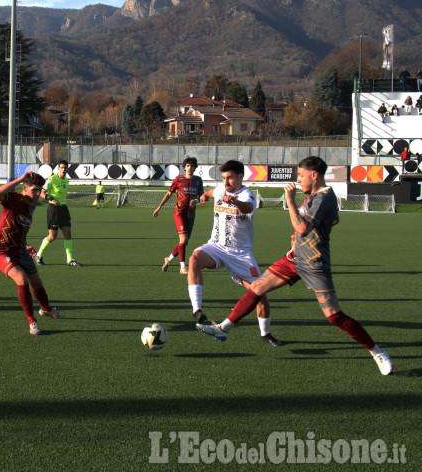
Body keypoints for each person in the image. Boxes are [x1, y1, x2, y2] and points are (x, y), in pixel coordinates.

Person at [196, 156, 393, 376]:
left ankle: (377, 351)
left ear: (314, 175)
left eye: (301, 175)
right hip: (293, 259)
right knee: (256, 288)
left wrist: (289, 200)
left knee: (334, 316)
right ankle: (223, 329)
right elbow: (334, 220)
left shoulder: (323, 197)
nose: (298, 180)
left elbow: (301, 228)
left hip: (314, 263)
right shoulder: (313, 196)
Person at [186, 160, 280, 346]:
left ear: (240, 177)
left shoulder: (246, 195)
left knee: (260, 294)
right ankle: (197, 311)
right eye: (223, 178)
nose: (226, 182)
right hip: (216, 247)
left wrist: (235, 201)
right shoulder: (221, 190)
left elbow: (248, 208)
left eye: (230, 178)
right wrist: (203, 196)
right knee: (194, 258)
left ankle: (265, 333)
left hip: (240, 254)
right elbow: (212, 192)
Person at [0, 171, 64, 335]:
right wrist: (20, 179)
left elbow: (18, 230)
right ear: (24, 188)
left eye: (40, 190)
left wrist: (26, 245)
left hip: (20, 250)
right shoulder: (13, 198)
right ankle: (32, 321)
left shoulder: (31, 206)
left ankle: (46, 309)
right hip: (2, 251)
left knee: (36, 282)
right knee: (22, 279)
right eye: (34, 190)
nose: (38, 194)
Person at [153, 156, 204, 275]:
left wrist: (197, 201)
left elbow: (202, 197)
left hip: (191, 215)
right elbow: (168, 194)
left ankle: (168, 259)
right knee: (184, 239)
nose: (189, 168)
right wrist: (159, 207)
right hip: (179, 213)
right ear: (184, 167)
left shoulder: (198, 180)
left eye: (192, 166)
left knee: (183, 242)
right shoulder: (178, 179)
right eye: (187, 166)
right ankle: (182, 267)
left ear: (195, 167)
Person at [35, 160, 82, 266]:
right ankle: (39, 255)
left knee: (68, 233)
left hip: (64, 208)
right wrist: (51, 198)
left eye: (65, 168)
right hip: (53, 209)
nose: (64, 169)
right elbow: (41, 192)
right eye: (62, 168)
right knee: (52, 236)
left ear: (67, 169)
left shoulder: (66, 180)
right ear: (58, 169)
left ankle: (70, 260)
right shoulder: (52, 179)